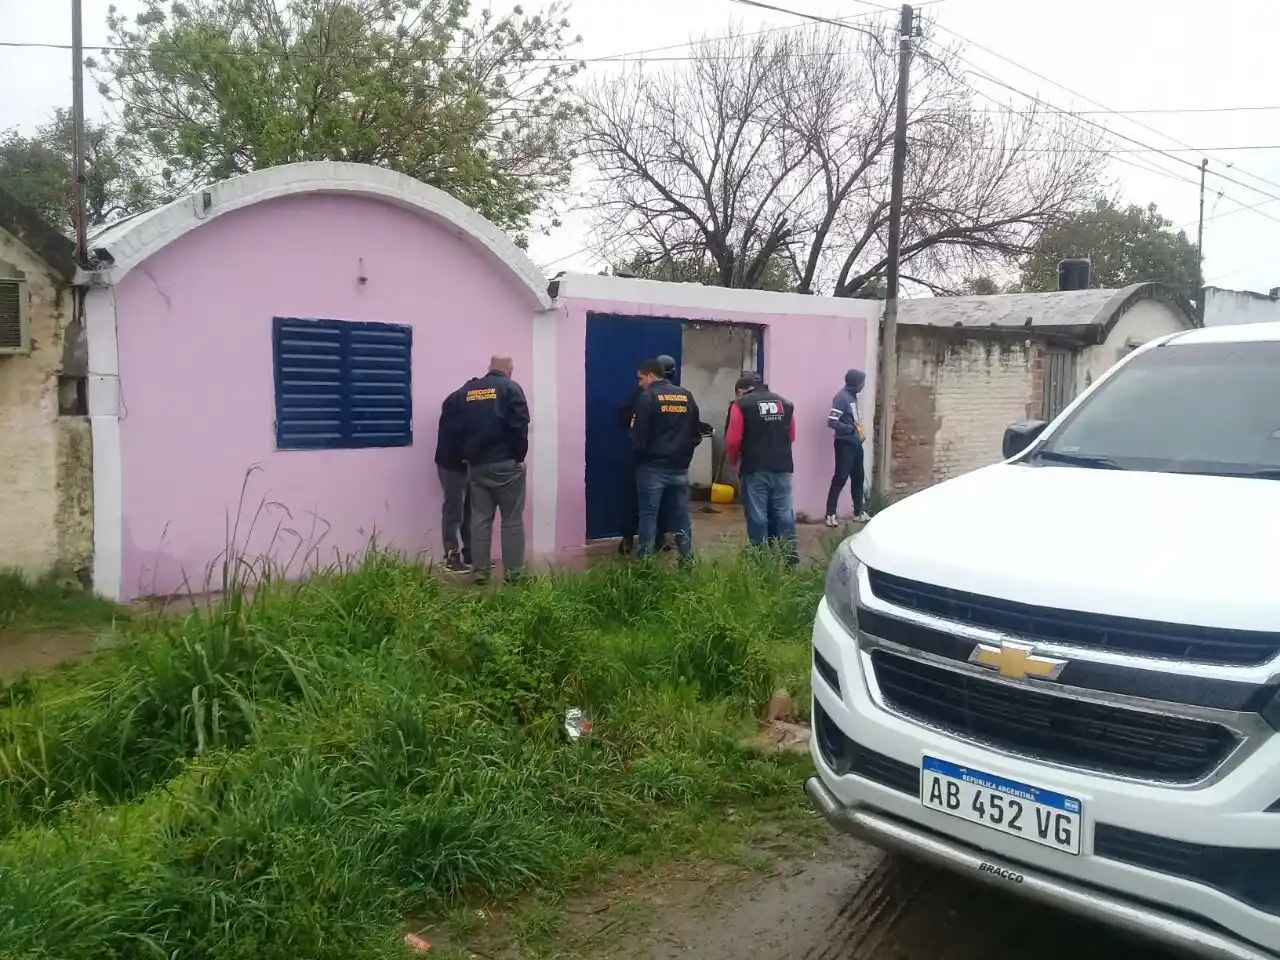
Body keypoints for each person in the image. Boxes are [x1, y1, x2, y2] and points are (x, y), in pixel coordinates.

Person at [455, 355, 530, 584]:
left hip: (477, 466)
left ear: (489, 367)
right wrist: (519, 457)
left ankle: (480, 573)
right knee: (511, 520)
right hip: (506, 465)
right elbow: (520, 425)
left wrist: (467, 455)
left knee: (480, 519)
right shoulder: (511, 388)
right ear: (509, 370)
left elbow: (457, 426)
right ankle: (513, 576)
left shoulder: (469, 391)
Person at [630, 358, 701, 560]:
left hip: (652, 468)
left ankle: (645, 564)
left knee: (648, 516)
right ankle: (687, 560)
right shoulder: (686, 396)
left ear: (651, 376)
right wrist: (684, 457)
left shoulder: (647, 398)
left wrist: (640, 459)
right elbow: (695, 433)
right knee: (681, 516)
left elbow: (639, 436)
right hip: (679, 468)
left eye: (641, 378)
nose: (640, 383)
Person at [725, 374, 798, 563]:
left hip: (754, 468)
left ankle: (760, 560)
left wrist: (733, 460)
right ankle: (789, 556)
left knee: (757, 515)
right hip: (782, 467)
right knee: (784, 513)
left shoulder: (741, 405)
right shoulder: (785, 403)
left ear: (740, 391)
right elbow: (792, 436)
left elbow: (733, 439)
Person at [616, 353, 680, 555]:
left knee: (661, 504)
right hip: (645, 458)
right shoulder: (641, 393)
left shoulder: (675, 394)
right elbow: (624, 415)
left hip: (662, 457)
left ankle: (659, 538)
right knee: (635, 501)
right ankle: (628, 538)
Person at [826, 368, 871, 527]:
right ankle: (830, 514)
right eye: (861, 383)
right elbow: (832, 421)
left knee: (858, 478)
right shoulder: (841, 398)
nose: (863, 386)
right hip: (845, 444)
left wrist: (860, 433)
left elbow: (854, 419)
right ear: (854, 383)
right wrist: (850, 429)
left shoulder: (852, 397)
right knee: (840, 478)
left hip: (856, 443)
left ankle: (858, 512)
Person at [435, 386, 472, 572]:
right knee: (454, 511)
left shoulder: (462, 402)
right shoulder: (457, 404)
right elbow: (457, 436)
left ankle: (472, 555)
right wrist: (466, 454)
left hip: (467, 464)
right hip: (452, 465)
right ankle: (451, 557)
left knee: (470, 510)